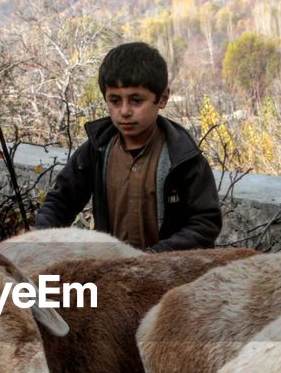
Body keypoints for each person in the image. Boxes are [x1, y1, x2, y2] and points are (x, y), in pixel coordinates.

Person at [33, 42, 222, 252]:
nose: (124, 111)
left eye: (136, 100)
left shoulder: (182, 158)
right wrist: (41, 238)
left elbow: (205, 224)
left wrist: (154, 257)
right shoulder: (97, 150)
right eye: (115, 101)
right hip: (111, 272)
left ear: (162, 98)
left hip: (170, 275)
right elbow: (61, 201)